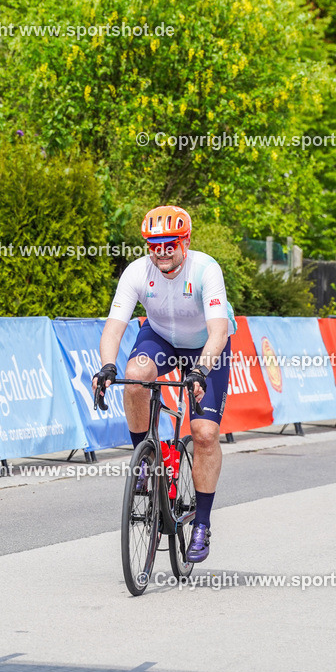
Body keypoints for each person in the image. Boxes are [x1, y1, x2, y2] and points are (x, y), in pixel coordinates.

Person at [92, 206, 236, 563]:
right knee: (135, 377)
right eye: (154, 245)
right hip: (160, 339)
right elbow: (114, 326)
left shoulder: (205, 269)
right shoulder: (137, 272)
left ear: (184, 243)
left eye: (169, 244)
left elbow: (218, 330)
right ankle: (146, 457)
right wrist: (107, 366)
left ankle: (201, 523)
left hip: (205, 346)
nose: (162, 252)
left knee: (203, 433)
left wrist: (201, 371)